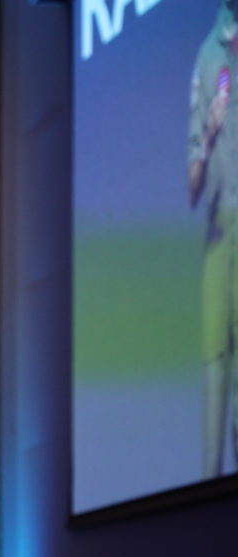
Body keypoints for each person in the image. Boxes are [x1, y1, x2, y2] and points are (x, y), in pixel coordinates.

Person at [190, 0, 238, 479]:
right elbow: (192, 184)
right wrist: (210, 130)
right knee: (214, 372)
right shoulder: (210, 54)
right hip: (221, 237)